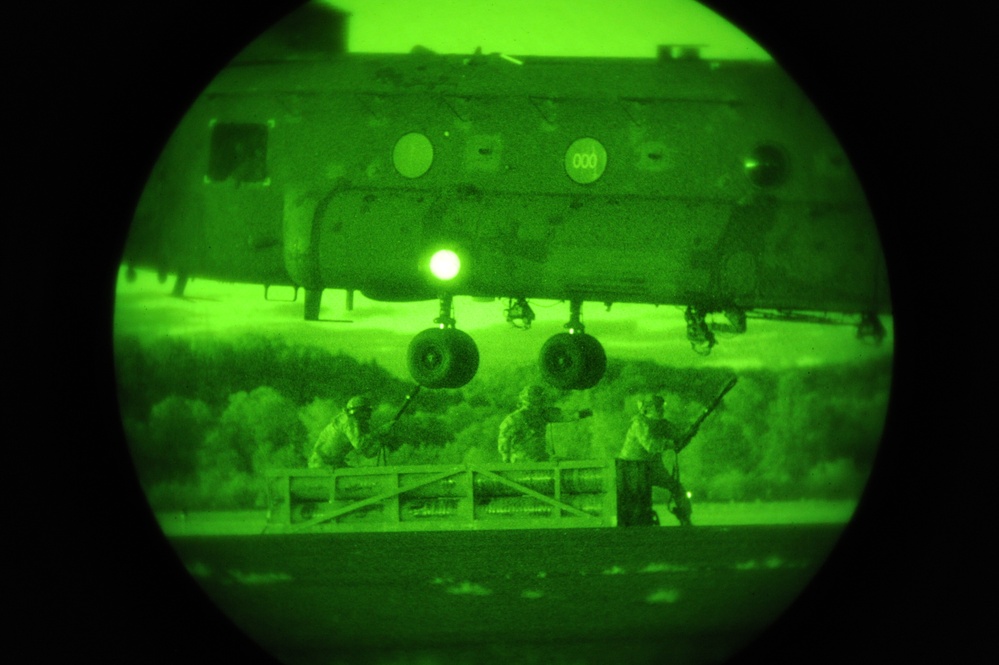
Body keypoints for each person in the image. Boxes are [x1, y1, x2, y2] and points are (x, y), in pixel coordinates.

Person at [619, 395, 693, 526]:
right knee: (637, 497)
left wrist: (689, 433)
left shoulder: (662, 424)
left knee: (676, 487)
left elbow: (679, 437)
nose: (660, 409)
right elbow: (651, 445)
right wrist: (671, 444)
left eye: (661, 406)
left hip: (652, 466)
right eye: (656, 407)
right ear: (647, 408)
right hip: (633, 467)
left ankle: (685, 517)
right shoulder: (639, 423)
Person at [497, 385, 593, 463]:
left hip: (541, 458)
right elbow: (504, 440)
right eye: (537, 402)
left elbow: (562, 415)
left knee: (569, 463)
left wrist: (583, 413)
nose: (540, 405)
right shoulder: (514, 419)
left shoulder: (542, 414)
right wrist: (506, 460)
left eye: (541, 402)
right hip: (522, 462)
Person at [308, 395, 390, 471]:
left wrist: (380, 440)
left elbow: (368, 453)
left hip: (332, 463)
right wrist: (379, 432)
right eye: (366, 410)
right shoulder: (349, 421)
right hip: (321, 464)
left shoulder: (359, 424)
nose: (369, 413)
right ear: (358, 411)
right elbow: (359, 444)